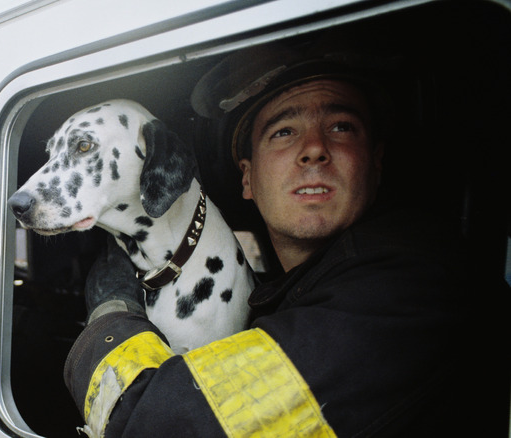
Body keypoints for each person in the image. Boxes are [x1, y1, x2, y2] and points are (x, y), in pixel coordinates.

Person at [63, 38, 509, 437]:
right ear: (248, 179)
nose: (314, 147)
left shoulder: (412, 284)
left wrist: (110, 313)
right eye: (284, 131)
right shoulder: (304, 289)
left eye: (340, 126)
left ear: (375, 162)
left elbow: (155, 426)